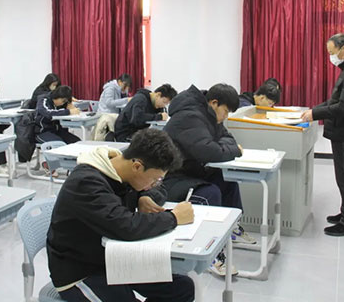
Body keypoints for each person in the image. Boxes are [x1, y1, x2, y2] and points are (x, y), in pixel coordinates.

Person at [47, 128, 195, 302]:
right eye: (155, 179)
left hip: (111, 259)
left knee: (182, 288)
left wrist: (144, 196)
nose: (155, 184)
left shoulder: (124, 172)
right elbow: (126, 226)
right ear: (137, 166)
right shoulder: (86, 182)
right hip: (80, 272)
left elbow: (158, 191)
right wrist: (174, 217)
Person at [162, 83, 256, 276]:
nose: (226, 117)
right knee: (210, 193)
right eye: (226, 111)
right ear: (214, 103)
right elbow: (209, 151)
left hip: (191, 170)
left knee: (226, 180)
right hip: (170, 178)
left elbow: (227, 138)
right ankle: (211, 252)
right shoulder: (190, 117)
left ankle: (232, 228)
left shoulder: (209, 115)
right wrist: (234, 150)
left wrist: (226, 147)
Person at [301, 33, 344, 237]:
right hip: (342, 131)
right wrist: (314, 110)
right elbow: (335, 101)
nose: (331, 57)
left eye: (332, 52)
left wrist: (315, 114)